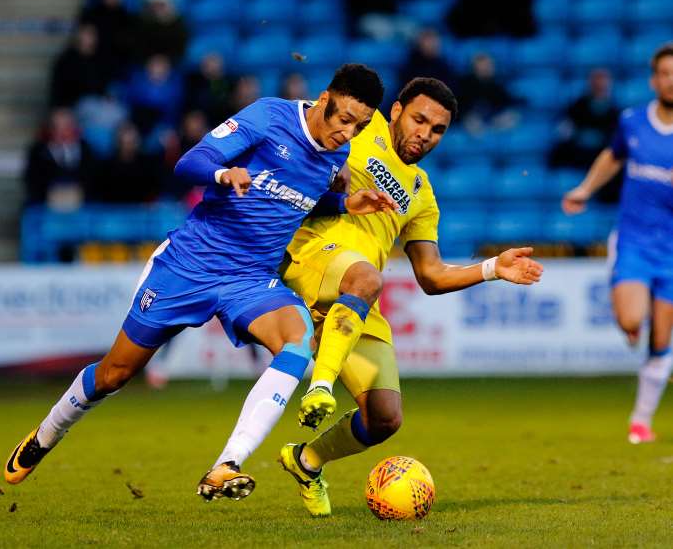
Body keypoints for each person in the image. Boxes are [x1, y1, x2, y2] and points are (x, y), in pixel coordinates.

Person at [3, 65, 397, 502]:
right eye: (344, 118)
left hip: (250, 279)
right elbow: (191, 161)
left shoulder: (337, 154)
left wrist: (343, 203)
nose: (348, 132)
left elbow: (295, 199)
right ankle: (46, 433)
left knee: (298, 338)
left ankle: (226, 465)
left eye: (360, 125)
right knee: (116, 373)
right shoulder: (269, 117)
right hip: (190, 265)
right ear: (325, 98)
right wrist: (222, 175)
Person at [277, 77, 543, 516]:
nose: (425, 134)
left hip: (355, 299)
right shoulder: (360, 127)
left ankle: (306, 461)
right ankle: (319, 386)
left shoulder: (421, 193)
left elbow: (432, 276)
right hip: (311, 260)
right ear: (395, 110)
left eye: (437, 130)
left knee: (385, 417)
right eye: (419, 119)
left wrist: (493, 268)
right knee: (366, 277)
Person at [562, 44, 673, 445]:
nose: (670, 80)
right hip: (635, 241)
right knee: (631, 322)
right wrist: (585, 189)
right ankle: (626, 303)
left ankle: (640, 422)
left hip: (672, 251)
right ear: (653, 79)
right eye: (664, 73)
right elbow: (612, 157)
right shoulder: (633, 122)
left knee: (661, 340)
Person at [550, 69, 621, 203]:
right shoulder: (577, 106)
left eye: (603, 81)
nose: (599, 85)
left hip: (601, 153)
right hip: (578, 153)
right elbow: (565, 130)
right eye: (596, 81)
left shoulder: (615, 111)